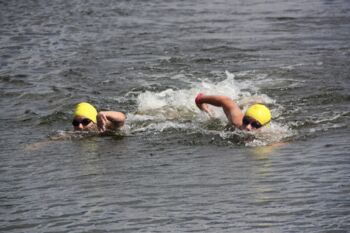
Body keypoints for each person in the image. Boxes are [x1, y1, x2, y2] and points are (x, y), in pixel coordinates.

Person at [195, 93, 271, 131]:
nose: (248, 127)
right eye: (246, 121)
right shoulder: (236, 121)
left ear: (263, 127)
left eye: (255, 125)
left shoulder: (267, 137)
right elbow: (225, 100)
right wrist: (200, 100)